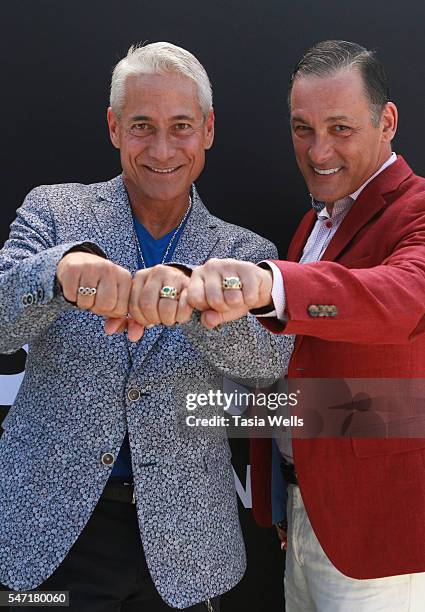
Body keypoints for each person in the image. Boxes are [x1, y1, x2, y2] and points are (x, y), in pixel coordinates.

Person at [0, 42, 292, 611]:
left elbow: (269, 363)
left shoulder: (244, 251)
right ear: (113, 127)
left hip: (185, 548)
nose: (162, 149)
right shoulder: (56, 213)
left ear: (208, 130)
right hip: (50, 532)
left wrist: (202, 309)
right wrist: (60, 273)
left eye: (181, 126)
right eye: (142, 126)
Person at [154, 40, 425, 611]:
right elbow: (293, 367)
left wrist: (268, 284)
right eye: (302, 128)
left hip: (378, 541)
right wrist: (283, 499)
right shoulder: (314, 223)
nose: (318, 150)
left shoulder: (417, 210)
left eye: (340, 128)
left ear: (388, 121)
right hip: (305, 519)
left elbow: (403, 298)